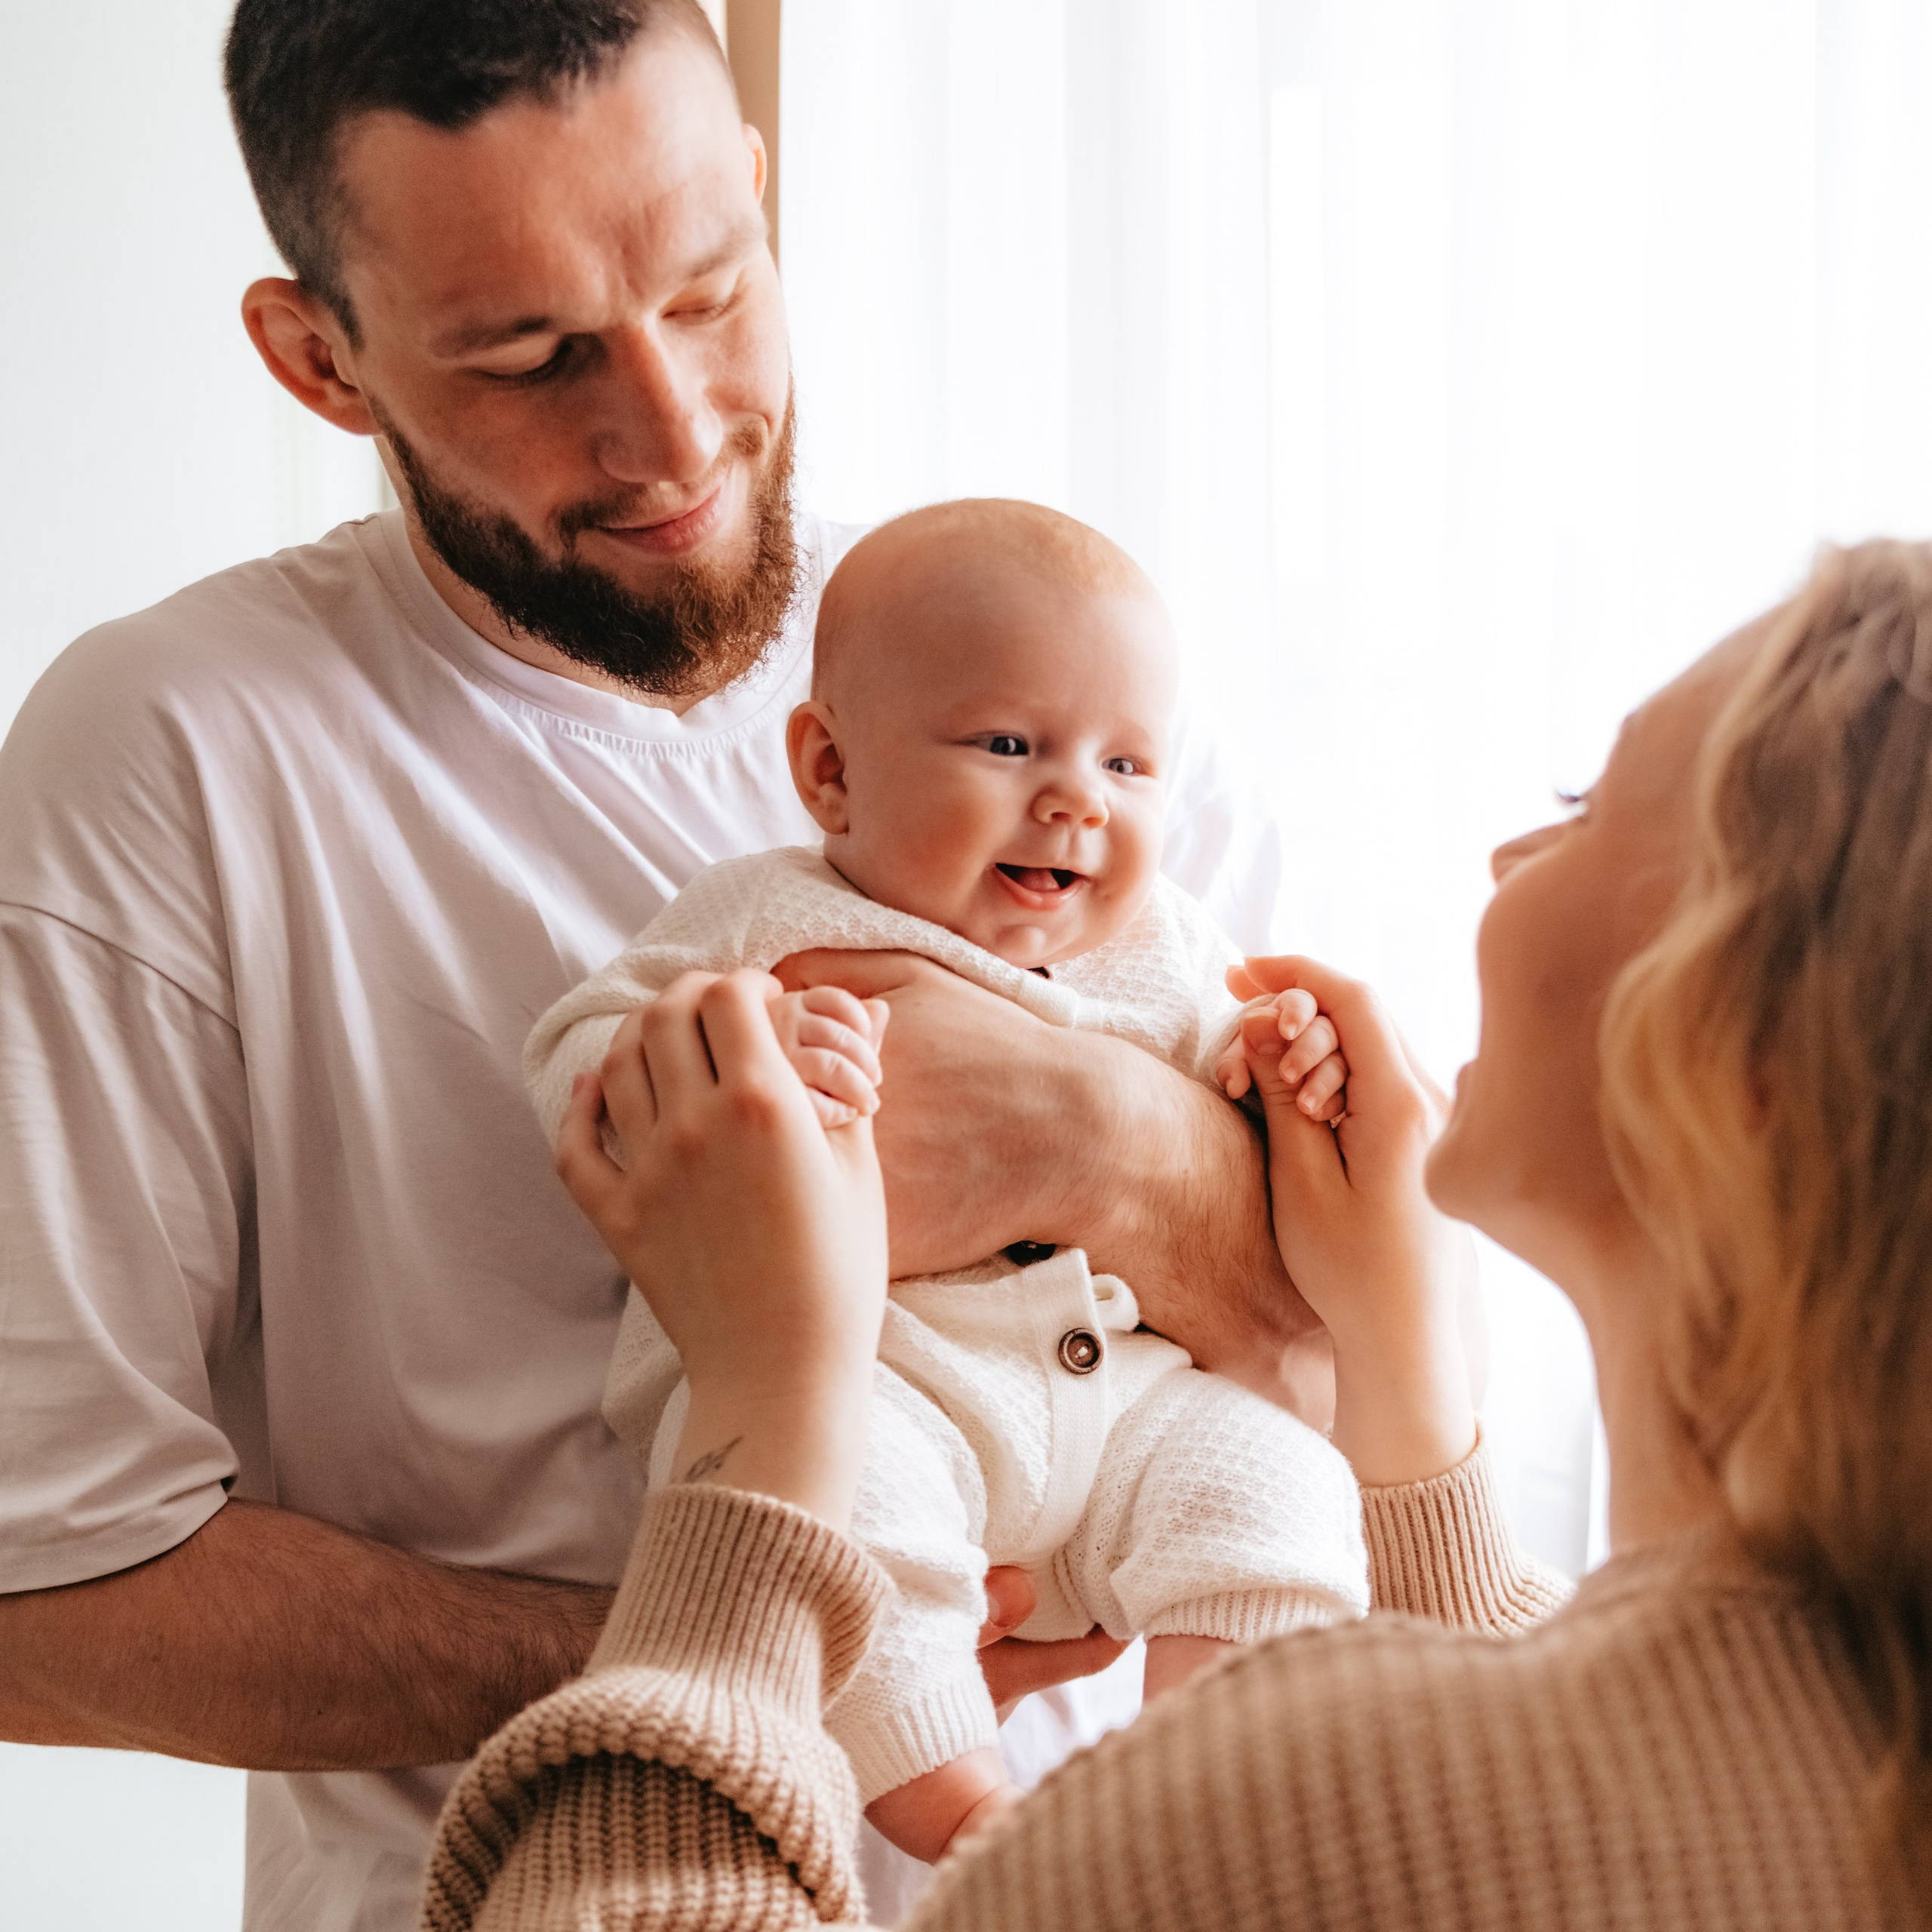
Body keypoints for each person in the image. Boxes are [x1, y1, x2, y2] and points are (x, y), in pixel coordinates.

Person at [0, 5, 1320, 1926]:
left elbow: (1355, 1357)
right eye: (530, 358)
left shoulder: (1033, 667)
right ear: (320, 359)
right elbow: (41, 1592)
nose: (671, 432)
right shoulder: (172, 754)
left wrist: (1089, 1135)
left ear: (762, 202)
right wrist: (782, 1648)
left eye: (711, 293)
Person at [422, 540, 1932, 1931]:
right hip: (978, 1433)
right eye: (1006, 745)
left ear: (1727, 1053)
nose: (1498, 868)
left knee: (1245, 1489)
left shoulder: (1290, 1812)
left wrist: (766, 1410)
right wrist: (1400, 1388)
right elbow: (1546, 1712)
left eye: (1578, 810)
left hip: (973, 1457)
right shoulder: (1828, 1756)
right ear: (825, 768)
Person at [525, 498, 1370, 1860]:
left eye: (1131, 765)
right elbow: (575, 1056)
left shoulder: (1163, 941)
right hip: (874, 1379)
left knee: (1275, 1483)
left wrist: (1286, 1064)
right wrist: (732, 1047)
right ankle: (979, 1825)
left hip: (1129, 1402)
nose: (1077, 799)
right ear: (831, 772)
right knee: (851, 1533)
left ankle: (1207, 1791)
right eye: (1009, 744)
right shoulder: (768, 915)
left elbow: (1245, 1110)